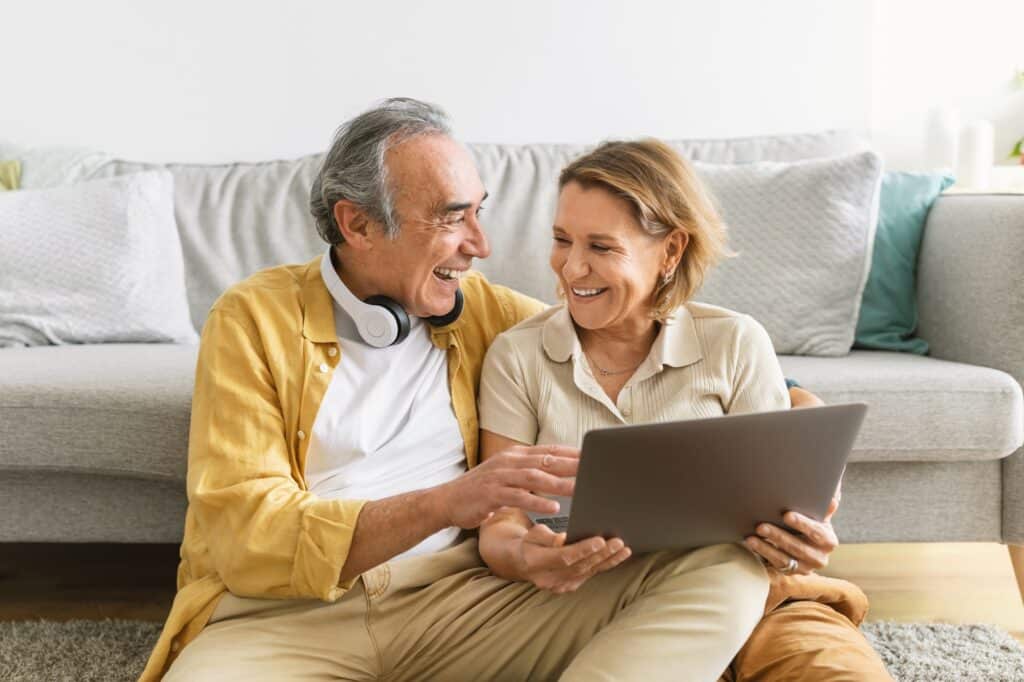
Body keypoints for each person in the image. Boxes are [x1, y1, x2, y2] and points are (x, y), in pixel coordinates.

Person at [141, 98, 885, 681]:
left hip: (465, 605)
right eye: (451, 218)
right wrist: (447, 502)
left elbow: (637, 340)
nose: (482, 246)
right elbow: (246, 534)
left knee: (723, 571)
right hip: (283, 617)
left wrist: (799, 438)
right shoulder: (253, 318)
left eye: (479, 210)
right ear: (357, 223)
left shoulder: (485, 313)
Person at [477, 138, 892, 681]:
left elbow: (784, 514)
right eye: (562, 240)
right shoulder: (518, 355)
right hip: (587, 605)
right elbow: (498, 521)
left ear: (671, 251)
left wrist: (795, 543)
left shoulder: (735, 342)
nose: (572, 267)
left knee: (835, 672)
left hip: (756, 593)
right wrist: (526, 555)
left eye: (601, 247)